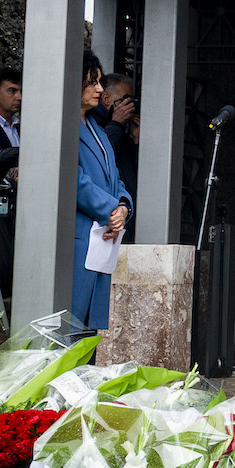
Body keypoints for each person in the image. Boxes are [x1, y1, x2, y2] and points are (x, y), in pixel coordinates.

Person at [73, 51, 133, 332]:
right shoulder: (63, 125)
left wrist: (123, 207)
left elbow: (115, 178)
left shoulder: (96, 126)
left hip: (101, 238)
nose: (99, 89)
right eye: (92, 83)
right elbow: (74, 179)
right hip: (78, 239)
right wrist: (112, 211)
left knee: (88, 333)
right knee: (70, 328)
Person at [92, 72, 140, 205]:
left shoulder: (121, 129)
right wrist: (116, 123)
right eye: (125, 99)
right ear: (106, 99)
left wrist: (135, 138)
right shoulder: (92, 122)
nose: (129, 104)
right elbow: (99, 154)